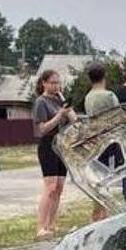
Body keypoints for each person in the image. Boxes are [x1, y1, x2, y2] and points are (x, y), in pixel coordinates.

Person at [33, 69, 77, 238]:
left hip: (62, 144)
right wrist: (59, 115)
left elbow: (74, 120)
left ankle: (51, 224)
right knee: (50, 187)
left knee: (59, 187)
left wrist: (67, 107)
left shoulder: (60, 99)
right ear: (44, 83)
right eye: (52, 82)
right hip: (48, 144)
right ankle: (40, 226)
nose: (56, 86)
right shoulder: (41, 102)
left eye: (58, 82)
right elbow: (42, 128)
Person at [83, 62, 119, 221]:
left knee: (99, 176)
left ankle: (99, 210)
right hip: (109, 139)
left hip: (94, 139)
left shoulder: (88, 97)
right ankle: (101, 212)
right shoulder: (109, 95)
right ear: (104, 76)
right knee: (107, 177)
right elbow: (119, 115)